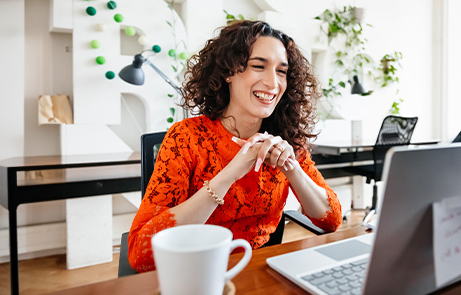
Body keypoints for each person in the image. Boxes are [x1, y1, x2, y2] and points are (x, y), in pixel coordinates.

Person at [127, 20, 343, 272]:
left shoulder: (286, 139)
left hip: (261, 273)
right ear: (228, 71)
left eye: (281, 71)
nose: (273, 83)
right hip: (197, 272)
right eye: (258, 66)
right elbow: (140, 254)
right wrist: (231, 173)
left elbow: (332, 220)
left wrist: (291, 167)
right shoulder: (186, 138)